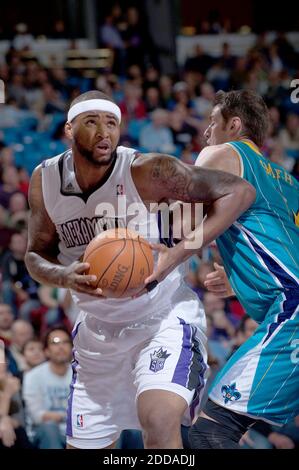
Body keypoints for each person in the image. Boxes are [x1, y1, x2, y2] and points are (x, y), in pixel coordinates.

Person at [24, 90, 255, 449]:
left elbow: (238, 193)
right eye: (91, 122)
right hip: (96, 335)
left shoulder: (147, 170)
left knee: (159, 422)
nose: (104, 131)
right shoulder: (46, 179)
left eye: (111, 123)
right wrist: (62, 276)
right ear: (68, 129)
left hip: (162, 320)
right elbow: (35, 255)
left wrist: (175, 257)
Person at [185, 89, 299, 448]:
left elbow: (181, 216)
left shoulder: (223, 152)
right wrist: (240, 280)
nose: (206, 132)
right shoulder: (290, 183)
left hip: (293, 311)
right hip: (289, 301)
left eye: (212, 122)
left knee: (209, 433)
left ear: (234, 125)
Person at [22, 327, 72, 449]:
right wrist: (68, 416)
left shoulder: (80, 374)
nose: (61, 347)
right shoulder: (33, 376)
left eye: (65, 342)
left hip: (76, 431)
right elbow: (37, 415)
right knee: (49, 426)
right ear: (47, 351)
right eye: (55, 343)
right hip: (43, 433)